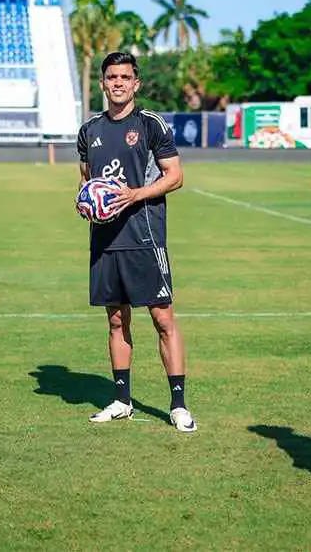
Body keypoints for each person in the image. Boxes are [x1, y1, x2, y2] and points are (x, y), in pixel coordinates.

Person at [76, 52, 196, 432]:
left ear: (136, 83)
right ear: (102, 83)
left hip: (144, 236)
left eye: (125, 77)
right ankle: (122, 400)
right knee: (116, 320)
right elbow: (87, 180)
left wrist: (135, 195)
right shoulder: (89, 130)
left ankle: (178, 405)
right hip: (105, 240)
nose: (118, 83)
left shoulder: (149, 124)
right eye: (111, 77)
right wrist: (85, 202)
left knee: (163, 319)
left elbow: (175, 176)